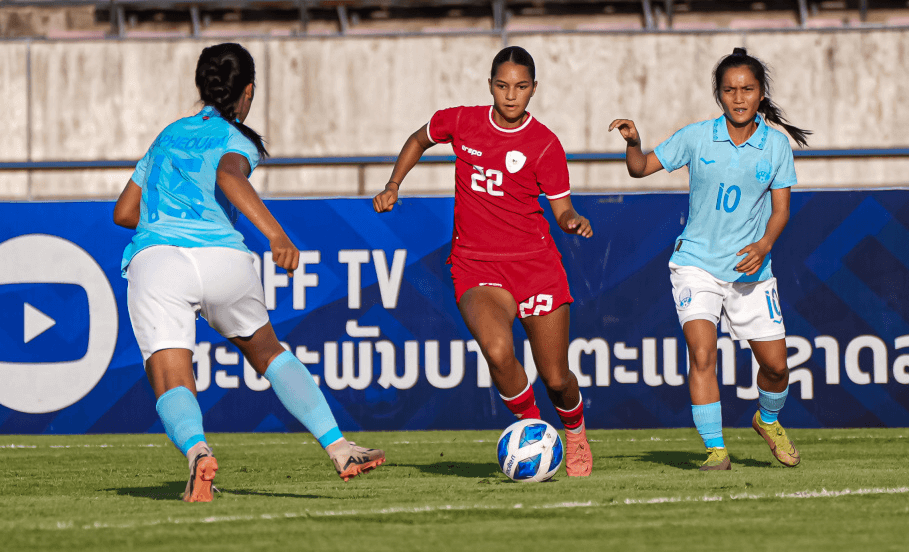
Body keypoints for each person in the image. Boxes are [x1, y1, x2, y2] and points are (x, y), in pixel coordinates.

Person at [113, 43, 384, 502]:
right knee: (268, 352)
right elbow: (229, 176)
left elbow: (124, 211)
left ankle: (199, 455)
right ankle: (339, 448)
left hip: (157, 261)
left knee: (171, 375)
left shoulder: (168, 134)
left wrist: (167, 224)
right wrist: (277, 237)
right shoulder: (238, 139)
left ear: (202, 86)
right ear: (248, 92)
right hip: (223, 260)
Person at [373, 46, 595, 477]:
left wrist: (572, 221)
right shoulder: (461, 121)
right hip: (476, 264)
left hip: (535, 266)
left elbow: (562, 208)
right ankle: (532, 430)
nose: (511, 95)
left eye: (521, 87)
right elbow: (419, 138)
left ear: (534, 89)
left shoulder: (544, 144)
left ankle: (574, 430)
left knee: (555, 377)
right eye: (502, 85)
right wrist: (393, 184)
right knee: (496, 351)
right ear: (489, 85)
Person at [609, 47, 810, 471]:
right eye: (730, 90)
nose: (738, 98)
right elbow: (640, 168)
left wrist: (764, 246)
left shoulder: (775, 146)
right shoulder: (697, 136)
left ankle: (767, 420)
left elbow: (781, 211)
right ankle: (716, 450)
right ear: (718, 95)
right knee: (702, 354)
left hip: (751, 272)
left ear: (760, 94)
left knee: (775, 369)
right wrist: (634, 143)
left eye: (747, 89)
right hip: (695, 264)